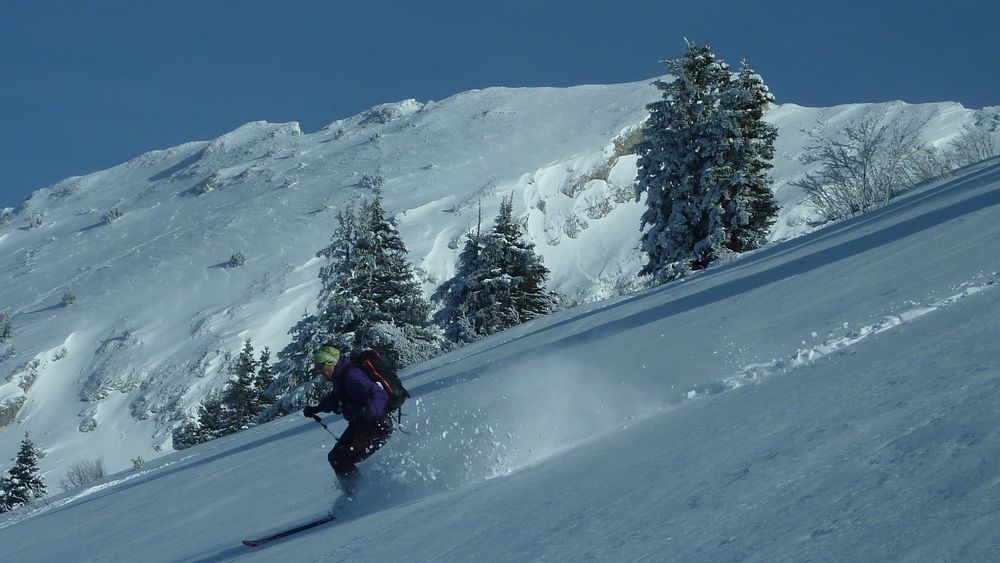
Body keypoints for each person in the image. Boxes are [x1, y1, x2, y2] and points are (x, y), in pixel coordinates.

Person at [303, 346, 393, 495]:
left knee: (339, 459)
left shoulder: (352, 376)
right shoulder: (341, 376)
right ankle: (360, 495)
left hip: (376, 426)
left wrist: (370, 413)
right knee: (337, 458)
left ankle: (360, 496)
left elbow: (379, 394)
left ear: (331, 363)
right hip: (365, 425)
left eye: (321, 366)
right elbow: (336, 399)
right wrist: (317, 409)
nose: (319, 370)